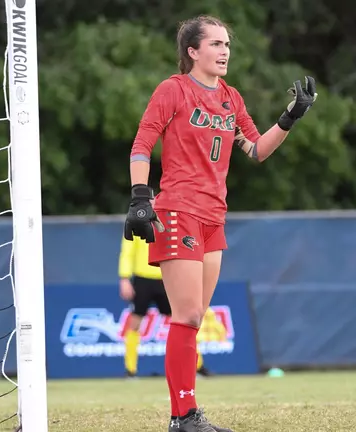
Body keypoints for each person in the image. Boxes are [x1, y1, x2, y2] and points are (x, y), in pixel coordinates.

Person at [123, 14, 317, 432]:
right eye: (215, 44)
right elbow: (142, 143)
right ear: (192, 52)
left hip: (214, 217)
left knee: (194, 318)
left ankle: (187, 416)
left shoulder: (231, 98)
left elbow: (256, 150)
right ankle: (183, 417)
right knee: (188, 315)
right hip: (177, 210)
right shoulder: (172, 90)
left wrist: (290, 117)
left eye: (227, 43)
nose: (224, 50)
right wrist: (141, 197)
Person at [118, 235, 213, 378]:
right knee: (135, 323)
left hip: (167, 276)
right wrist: (124, 277)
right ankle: (130, 370)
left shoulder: (169, 217)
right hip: (142, 278)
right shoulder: (137, 217)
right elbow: (127, 251)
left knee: (183, 321)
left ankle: (197, 365)